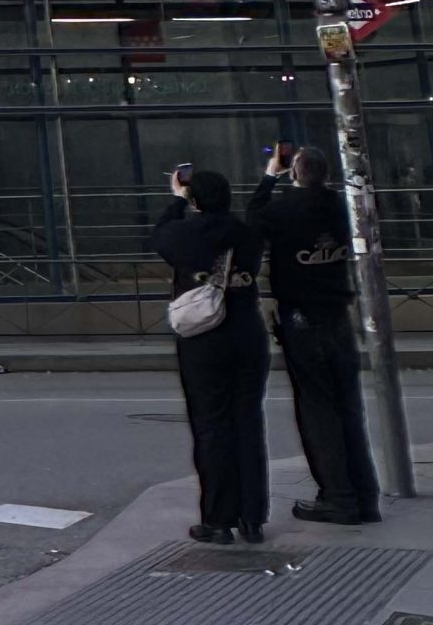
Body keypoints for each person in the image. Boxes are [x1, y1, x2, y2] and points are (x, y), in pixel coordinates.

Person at [250, 145, 382, 526]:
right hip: (338, 313)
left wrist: (268, 177)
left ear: (294, 172)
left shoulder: (283, 209)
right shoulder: (341, 206)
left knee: (317, 408)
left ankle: (337, 496)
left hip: (302, 315)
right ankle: (364, 494)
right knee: (349, 405)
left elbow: (253, 219)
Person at [154, 166, 269, 545]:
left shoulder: (185, 235)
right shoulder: (247, 233)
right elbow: (259, 215)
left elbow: (160, 236)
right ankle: (253, 517)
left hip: (204, 339)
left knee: (211, 424)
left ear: (196, 199)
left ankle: (218, 517)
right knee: (248, 422)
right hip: (247, 333)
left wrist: (177, 199)